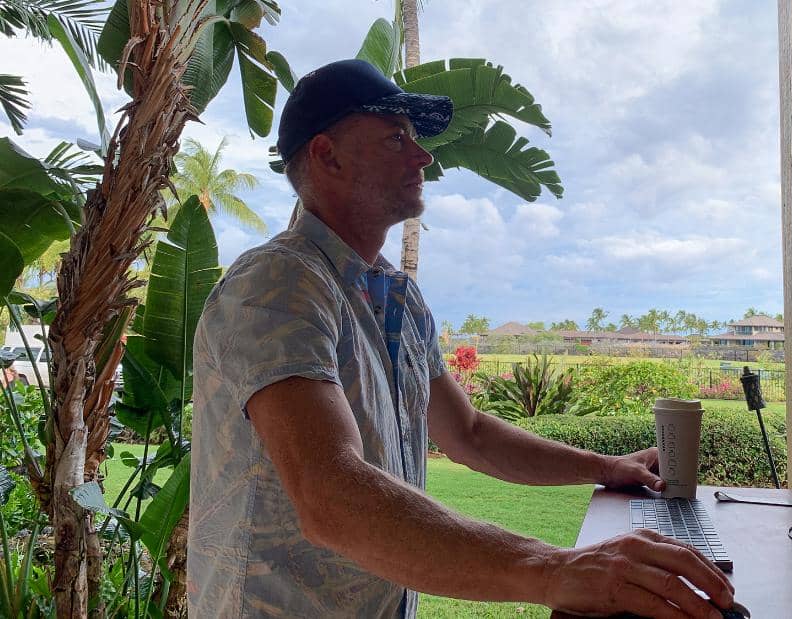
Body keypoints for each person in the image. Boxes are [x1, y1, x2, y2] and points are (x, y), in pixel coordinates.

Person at [188, 59, 737, 619]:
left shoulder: (395, 298)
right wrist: (554, 570)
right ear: (326, 155)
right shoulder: (277, 285)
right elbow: (331, 496)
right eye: (396, 139)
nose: (423, 156)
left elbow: (468, 433)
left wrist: (602, 466)